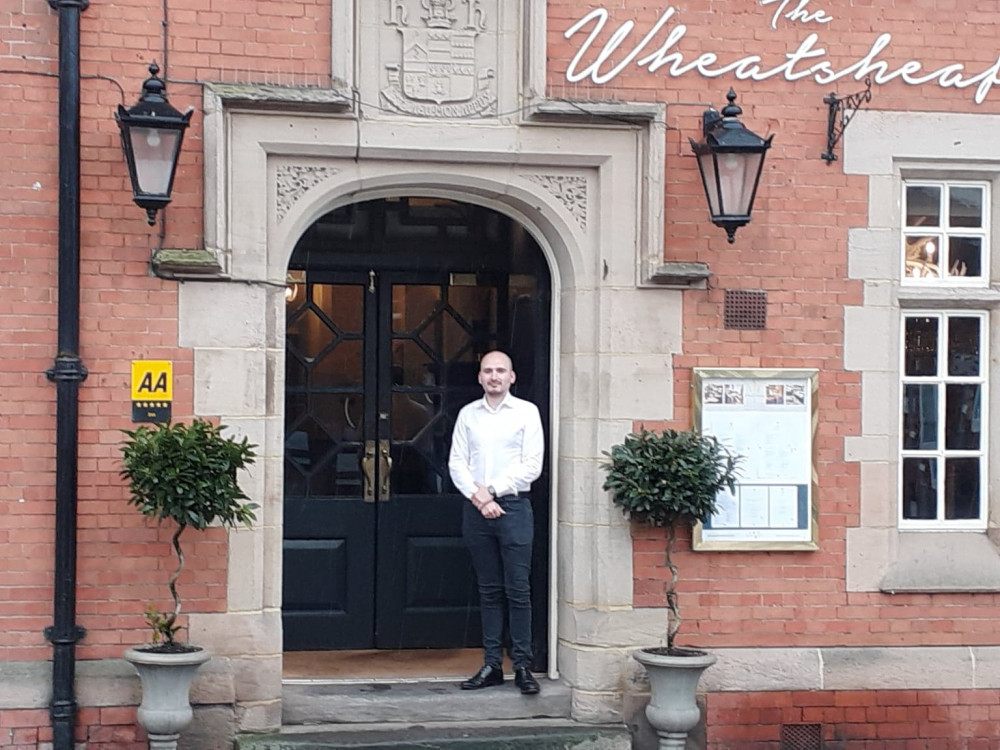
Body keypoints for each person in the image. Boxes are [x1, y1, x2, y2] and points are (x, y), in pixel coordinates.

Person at [448, 350, 544, 695]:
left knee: (518, 590)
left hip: (514, 508)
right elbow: (457, 462)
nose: (494, 376)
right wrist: (479, 498)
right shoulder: (468, 415)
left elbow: (532, 465)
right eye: (488, 371)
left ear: (512, 377)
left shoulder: (526, 413)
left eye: (501, 370)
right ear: (479, 377)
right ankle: (491, 664)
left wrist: (490, 491)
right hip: (476, 510)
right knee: (488, 590)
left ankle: (522, 666)